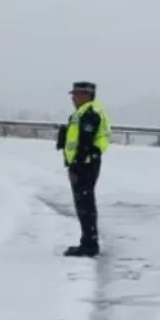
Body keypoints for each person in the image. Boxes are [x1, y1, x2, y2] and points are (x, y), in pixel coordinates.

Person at [57, 81, 112, 257]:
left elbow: (86, 142)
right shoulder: (82, 112)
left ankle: (89, 245)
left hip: (85, 165)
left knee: (85, 206)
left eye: (76, 94)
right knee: (83, 205)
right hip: (82, 164)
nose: (73, 98)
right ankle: (87, 242)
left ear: (86, 95)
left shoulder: (90, 113)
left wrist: (78, 163)